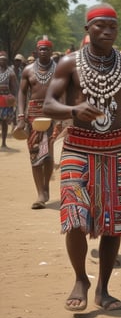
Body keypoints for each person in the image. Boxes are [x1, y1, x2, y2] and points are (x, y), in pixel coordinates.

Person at [43, 3, 121, 312]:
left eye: (113, 26)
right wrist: (73, 110)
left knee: (113, 223)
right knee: (74, 216)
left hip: (115, 150)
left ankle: (103, 288)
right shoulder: (69, 63)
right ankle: (80, 279)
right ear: (88, 29)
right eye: (100, 26)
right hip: (77, 148)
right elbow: (49, 104)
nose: (107, 31)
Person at [15, 39, 57, 209]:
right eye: (41, 49)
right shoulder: (28, 71)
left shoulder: (59, 70)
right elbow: (22, 93)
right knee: (35, 153)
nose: (43, 52)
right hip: (33, 115)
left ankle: (46, 186)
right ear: (35, 51)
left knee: (48, 155)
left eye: (46, 49)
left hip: (53, 113)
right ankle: (40, 193)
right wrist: (20, 116)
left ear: (51, 51)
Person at [0, 51, 17, 149]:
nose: (2, 61)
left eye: (4, 60)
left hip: (6, 99)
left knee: (4, 122)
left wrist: (14, 98)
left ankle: (3, 143)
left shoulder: (10, 72)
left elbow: (14, 86)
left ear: (7, 61)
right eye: (1, 60)